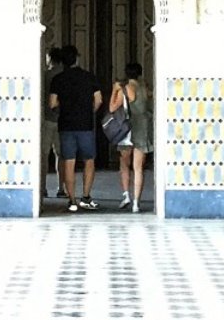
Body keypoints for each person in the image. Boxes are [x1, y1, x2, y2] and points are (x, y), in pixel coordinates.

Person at [48, 45, 102, 211]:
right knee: (89, 161)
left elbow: (52, 103)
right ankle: (85, 197)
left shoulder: (58, 79)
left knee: (69, 162)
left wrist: (64, 110)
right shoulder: (89, 77)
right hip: (85, 125)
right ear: (77, 58)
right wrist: (88, 111)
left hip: (66, 125)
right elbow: (98, 100)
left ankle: (72, 201)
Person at [108, 62, 151, 212]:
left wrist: (114, 90)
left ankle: (126, 195)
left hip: (127, 130)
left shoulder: (125, 89)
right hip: (142, 127)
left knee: (124, 164)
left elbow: (112, 108)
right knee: (138, 168)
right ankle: (136, 203)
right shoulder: (145, 88)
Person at [40, 47, 62, 199]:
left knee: (44, 154)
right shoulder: (65, 74)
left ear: (50, 59)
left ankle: (42, 187)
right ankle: (62, 188)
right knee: (61, 155)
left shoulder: (45, 75)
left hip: (47, 118)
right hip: (62, 120)